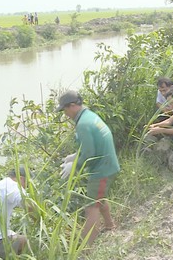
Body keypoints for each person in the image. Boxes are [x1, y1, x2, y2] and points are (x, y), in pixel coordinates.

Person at [55, 90, 120, 244]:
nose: (64, 113)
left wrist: (75, 165)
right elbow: (91, 146)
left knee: (91, 208)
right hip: (108, 165)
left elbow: (90, 155)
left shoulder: (83, 124)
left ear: (71, 106)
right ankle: (110, 226)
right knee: (100, 198)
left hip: (102, 170)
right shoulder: (89, 116)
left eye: (64, 109)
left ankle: (86, 248)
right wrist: (76, 155)